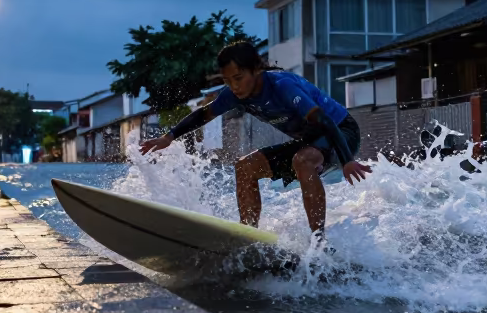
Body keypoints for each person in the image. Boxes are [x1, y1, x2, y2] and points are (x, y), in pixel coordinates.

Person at [139, 40, 371, 236]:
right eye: (228, 80)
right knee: (245, 167)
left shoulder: (282, 86)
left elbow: (325, 121)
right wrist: (169, 137)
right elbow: (204, 114)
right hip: (311, 142)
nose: (234, 86)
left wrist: (347, 159)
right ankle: (248, 238)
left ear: (256, 69)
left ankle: (319, 242)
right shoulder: (234, 95)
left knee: (303, 160)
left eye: (238, 78)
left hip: (342, 132)